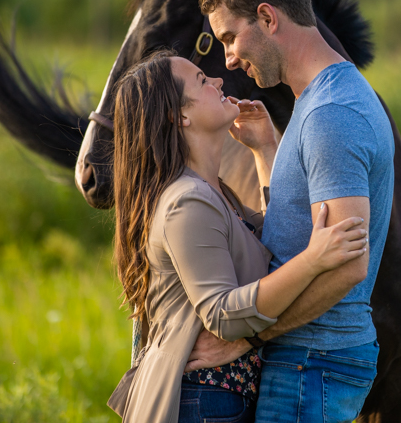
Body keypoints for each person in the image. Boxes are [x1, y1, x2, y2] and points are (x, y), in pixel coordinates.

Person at [106, 49, 369, 423]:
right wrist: (313, 261)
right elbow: (223, 315)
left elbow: (267, 241)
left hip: (216, 399)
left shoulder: (214, 192)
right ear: (179, 116)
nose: (217, 81)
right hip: (201, 399)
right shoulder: (187, 201)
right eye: (201, 80)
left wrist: (264, 150)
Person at [192, 0, 395, 423]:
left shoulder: (331, 114)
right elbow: (298, 228)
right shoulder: (316, 99)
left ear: (267, 17)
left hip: (315, 359)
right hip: (310, 357)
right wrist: (267, 151)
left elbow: (346, 264)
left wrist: (247, 338)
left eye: (229, 37)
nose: (227, 57)